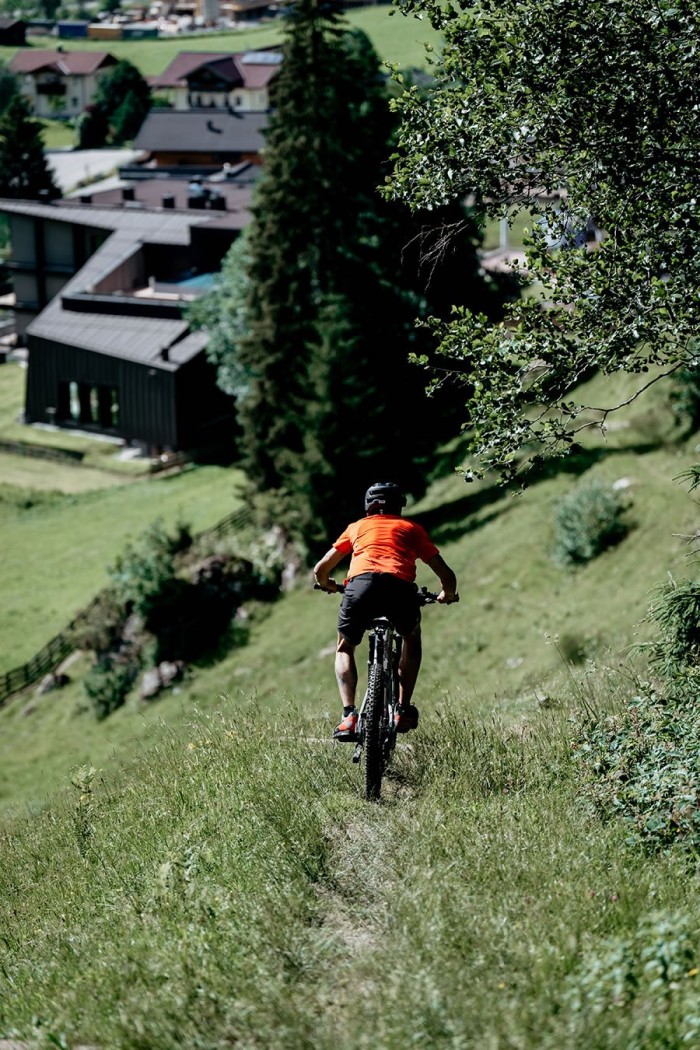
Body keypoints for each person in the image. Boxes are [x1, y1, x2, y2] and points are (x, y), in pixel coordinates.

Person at [313, 480, 459, 740]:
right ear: (399, 505)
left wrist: (328, 584)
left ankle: (348, 716)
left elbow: (320, 569)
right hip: (399, 589)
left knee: (345, 648)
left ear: (368, 506)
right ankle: (402, 709)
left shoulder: (357, 527)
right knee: (411, 637)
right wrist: (447, 594)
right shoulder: (411, 528)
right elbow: (446, 574)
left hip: (360, 588)